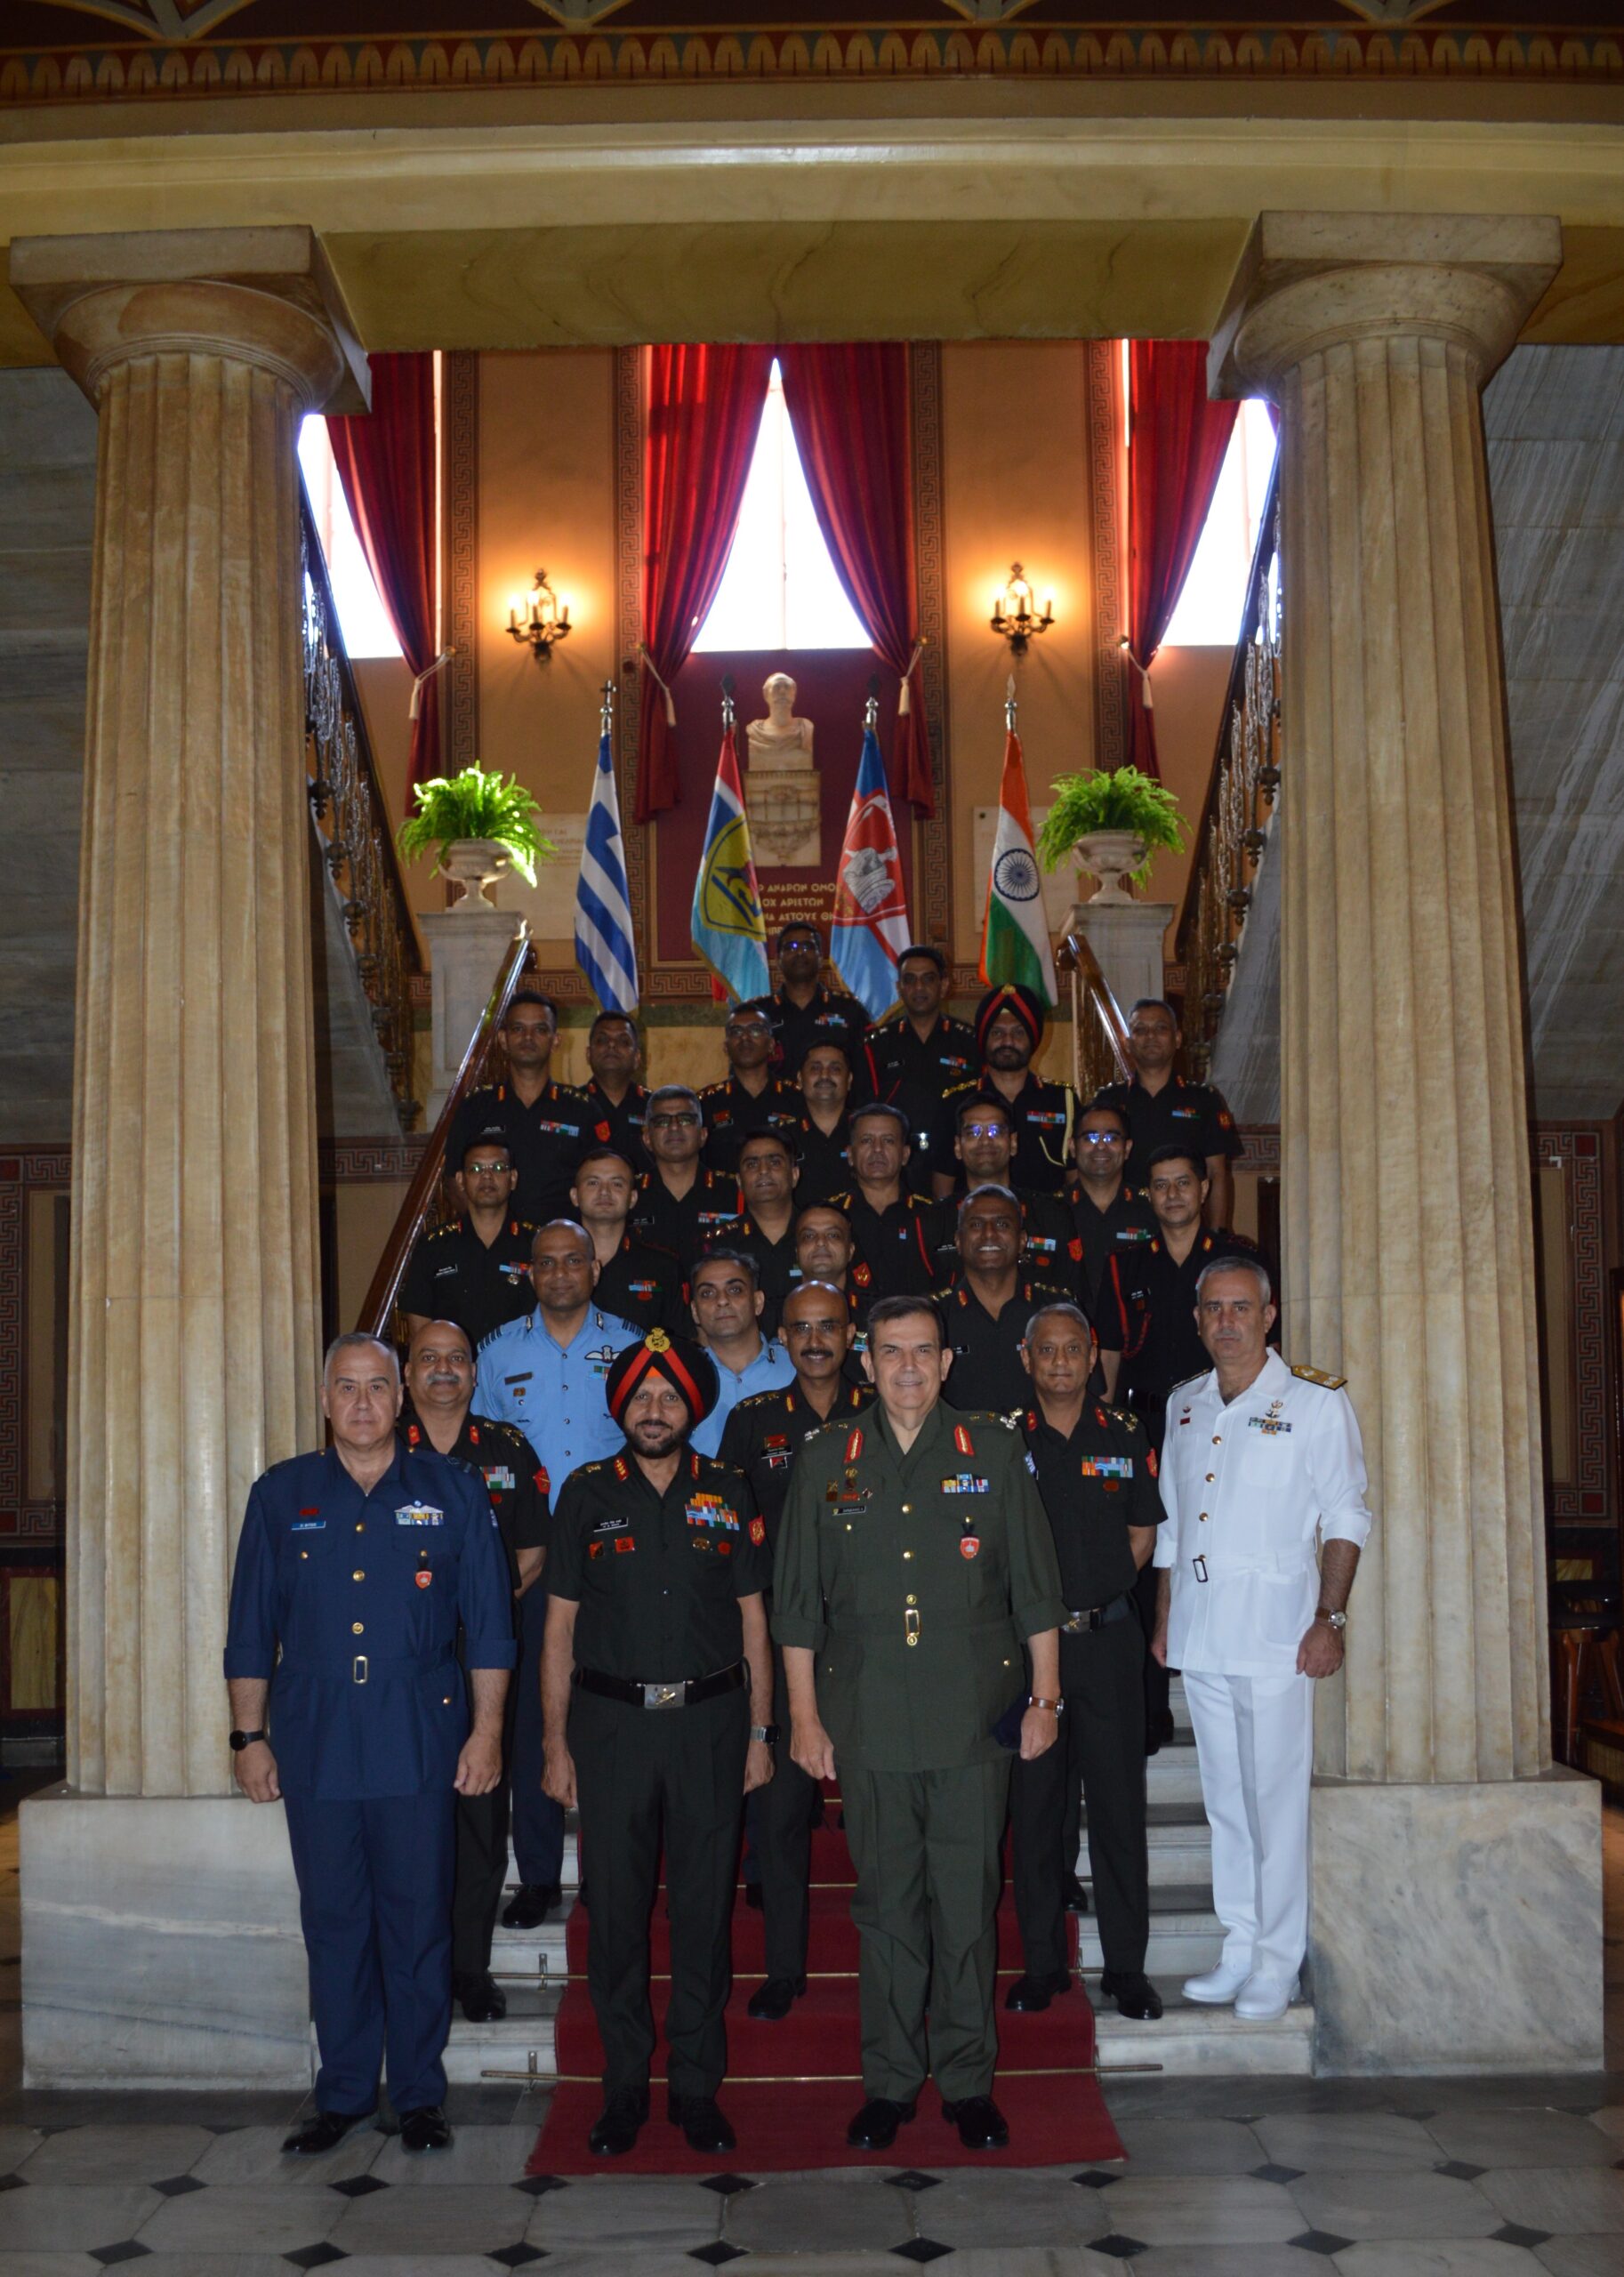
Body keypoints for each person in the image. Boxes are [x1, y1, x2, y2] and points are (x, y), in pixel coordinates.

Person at [774, 1296, 1066, 2153]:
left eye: (923, 1352)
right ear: (865, 1363)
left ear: (946, 1363)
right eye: (891, 1352)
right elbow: (796, 1605)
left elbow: (1035, 1590)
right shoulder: (825, 1457)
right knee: (887, 1907)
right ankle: (892, 2083)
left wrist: (1045, 1699)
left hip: (972, 1718)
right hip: (867, 1719)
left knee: (968, 1905)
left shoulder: (994, 1450)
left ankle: (968, 2082)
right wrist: (802, 1718)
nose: (907, 1367)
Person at [224, 1333, 515, 2156]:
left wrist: (487, 1731)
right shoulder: (281, 1494)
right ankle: (344, 2091)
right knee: (333, 1918)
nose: (362, 1403)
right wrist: (248, 1737)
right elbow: (250, 1628)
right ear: (325, 1401)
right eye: (346, 1388)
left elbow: (491, 1627)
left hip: (418, 1732)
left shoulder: (453, 1491)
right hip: (315, 1735)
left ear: (401, 1397)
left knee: (418, 1918)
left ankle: (418, 2094)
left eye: (377, 1387)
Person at [542, 1331, 776, 2157]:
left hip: (711, 1728)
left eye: (669, 1396)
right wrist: (554, 1744)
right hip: (612, 1732)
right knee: (616, 1915)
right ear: (621, 1409)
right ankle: (624, 2090)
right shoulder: (583, 1494)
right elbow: (558, 1629)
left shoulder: (729, 1490)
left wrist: (760, 1732)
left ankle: (695, 2089)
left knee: (704, 1914)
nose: (654, 1409)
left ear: (692, 1409)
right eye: (641, 1396)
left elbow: (753, 1620)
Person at [1153, 1258, 1371, 2023]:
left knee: (1274, 1804)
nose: (1227, 1322)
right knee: (1226, 1803)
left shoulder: (1313, 1401)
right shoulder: (1184, 1404)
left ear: (1269, 1315)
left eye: (1241, 1307)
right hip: (1204, 1630)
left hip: (1278, 1634)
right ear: (1197, 1319)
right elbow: (1173, 1528)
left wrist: (1329, 1618)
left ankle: (1278, 1961)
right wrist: (1165, 1619)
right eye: (1214, 1309)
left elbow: (1347, 1514)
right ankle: (1241, 1945)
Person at [475, 1223, 642, 1932]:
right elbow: (482, 1452)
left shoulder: (633, 1344)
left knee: (609, 1717)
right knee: (531, 1722)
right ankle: (539, 1876)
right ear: (530, 1272)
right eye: (546, 1263)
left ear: (594, 1267)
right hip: (532, 1559)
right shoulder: (496, 1352)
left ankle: (609, 1873)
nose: (561, 1272)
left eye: (574, 1260)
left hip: (616, 1554)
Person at [719, 1281, 872, 2021]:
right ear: (781, 1338)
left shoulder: (880, 1411)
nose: (815, 1341)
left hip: (869, 1637)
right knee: (779, 1816)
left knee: (878, 1813)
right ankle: (784, 1970)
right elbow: (728, 1528)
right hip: (786, 1642)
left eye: (828, 1327)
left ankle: (893, 1962)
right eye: (802, 1329)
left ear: (850, 1336)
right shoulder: (753, 1421)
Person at [1009, 1304, 1162, 2023]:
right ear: (1027, 1359)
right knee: (1037, 1809)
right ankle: (1042, 1965)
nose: (1062, 1362)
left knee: (1118, 1808)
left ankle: (1126, 1969)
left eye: (1074, 1349)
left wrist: (1096, 1593)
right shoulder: (1002, 1439)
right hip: (1029, 1651)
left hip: (1107, 1644)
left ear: (1092, 1355)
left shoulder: (1124, 1434)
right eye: (1048, 1350)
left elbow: (1141, 1536)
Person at [399, 1320, 548, 2024]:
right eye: (428, 1359)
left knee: (482, 1816)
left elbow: (535, 1549)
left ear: (474, 1372)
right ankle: (412, 1970)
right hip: (406, 1663)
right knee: (407, 1819)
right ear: (407, 1375)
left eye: (456, 1359)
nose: (444, 1369)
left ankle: (470, 1969)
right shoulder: (380, 1448)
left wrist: (478, 1606)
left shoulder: (507, 1448)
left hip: (484, 1656)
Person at [1091, 998, 1242, 1230]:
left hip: (1184, 1225)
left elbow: (1216, 1173)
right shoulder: (1107, 1101)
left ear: (1178, 1039)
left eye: (1161, 1028)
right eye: (1140, 1030)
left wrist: (1218, 1234)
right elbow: (1089, 1169)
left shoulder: (1204, 1100)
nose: (1151, 1036)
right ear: (1128, 1043)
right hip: (1121, 1225)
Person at [451, 992, 590, 1227]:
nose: (528, 1037)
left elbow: (598, 1179)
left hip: (563, 1243)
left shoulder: (581, 1109)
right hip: (496, 1241)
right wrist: (489, 1232)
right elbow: (454, 1181)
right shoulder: (475, 1107)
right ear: (503, 1039)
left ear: (556, 1041)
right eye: (518, 1029)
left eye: (540, 1029)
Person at [935, 1185, 1073, 1415]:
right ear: (958, 1241)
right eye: (976, 1225)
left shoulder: (1057, 1311)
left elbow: (1085, 1395)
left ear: (1022, 1240)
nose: (989, 1234)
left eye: (1002, 1224)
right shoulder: (934, 1316)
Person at [401, 1135, 537, 1356]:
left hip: (521, 1367)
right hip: (455, 1368)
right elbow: (419, 1321)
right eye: (475, 1169)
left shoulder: (536, 1243)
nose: (487, 1176)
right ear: (461, 1180)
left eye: (498, 1168)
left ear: (513, 1178)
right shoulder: (434, 1247)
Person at [948, 1094, 1080, 1285]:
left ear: (1013, 1142)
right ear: (957, 1147)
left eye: (995, 1131)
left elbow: (1073, 1293)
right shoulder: (934, 1222)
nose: (985, 1141)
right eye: (973, 1132)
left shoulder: (1051, 1216)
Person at [822, 1101, 944, 1303]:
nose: (877, 1149)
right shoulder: (831, 1215)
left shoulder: (931, 1214)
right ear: (850, 1154)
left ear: (905, 1154)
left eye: (888, 1141)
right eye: (867, 1140)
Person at [970, 984, 1080, 1195]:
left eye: (1018, 1032)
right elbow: (943, 1187)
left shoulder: (1062, 1100)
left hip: (1047, 1215)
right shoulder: (958, 1100)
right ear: (984, 1038)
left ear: (1033, 1039)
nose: (1007, 1041)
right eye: (997, 1033)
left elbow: (1074, 1180)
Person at [570, 1145, 686, 1335]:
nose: (604, 1192)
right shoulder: (552, 1264)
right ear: (575, 1196)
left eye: (617, 1184)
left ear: (632, 1198)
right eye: (593, 1183)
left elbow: (678, 1340)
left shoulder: (662, 1267)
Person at [688, 1246, 788, 1453]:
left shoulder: (795, 1366)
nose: (722, 1301)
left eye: (735, 1290)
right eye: (707, 1293)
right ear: (695, 1311)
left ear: (758, 1302)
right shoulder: (681, 1376)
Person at [632, 1083, 742, 1271]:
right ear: (647, 1138)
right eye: (662, 1121)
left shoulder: (735, 1192)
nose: (674, 1127)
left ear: (703, 1135)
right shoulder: (628, 1195)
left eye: (685, 1120)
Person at [741, 921, 866, 1076]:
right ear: (778, 960)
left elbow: (864, 1072)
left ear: (820, 958)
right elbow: (742, 1073)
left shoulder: (850, 1010)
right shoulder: (758, 1013)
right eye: (791, 947)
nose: (799, 952)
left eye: (807, 947)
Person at [862, 942, 977, 1106]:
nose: (919, 987)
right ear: (899, 988)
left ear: (943, 986)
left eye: (928, 979)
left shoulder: (969, 1041)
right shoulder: (878, 1044)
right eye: (909, 980)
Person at [1068, 1100, 1153, 1318]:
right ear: (1073, 1147)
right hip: (1072, 1332)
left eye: (1112, 1138)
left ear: (1127, 1148)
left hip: (1136, 1330)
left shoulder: (1152, 1211)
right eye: (1090, 1137)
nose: (1100, 1146)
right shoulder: (1052, 1211)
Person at [700, 1004, 801, 1174]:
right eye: (736, 1032)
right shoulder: (706, 1103)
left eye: (755, 1030)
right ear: (725, 1047)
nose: (745, 1038)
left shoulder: (798, 1098)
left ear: (771, 1045)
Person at [718, 1129, 800, 1332]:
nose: (763, 1171)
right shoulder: (719, 1245)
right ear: (739, 1181)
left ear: (794, 1175)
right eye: (752, 1164)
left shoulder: (820, 1234)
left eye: (775, 1162)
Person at [792, 1202, 872, 1384]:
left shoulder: (877, 1314)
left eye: (833, 1235)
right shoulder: (775, 1314)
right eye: (809, 1236)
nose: (821, 1242)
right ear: (797, 1252)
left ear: (850, 1251)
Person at [579, 1009, 651, 1169]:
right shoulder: (571, 1105)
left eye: (623, 1042)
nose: (611, 1045)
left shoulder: (654, 1107)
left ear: (637, 1058)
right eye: (602, 1040)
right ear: (588, 1054)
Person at [792, 1038, 857, 1208]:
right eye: (815, 1068)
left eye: (835, 1069)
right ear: (800, 1079)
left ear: (849, 1080)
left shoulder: (866, 1133)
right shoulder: (782, 1137)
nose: (825, 1076)